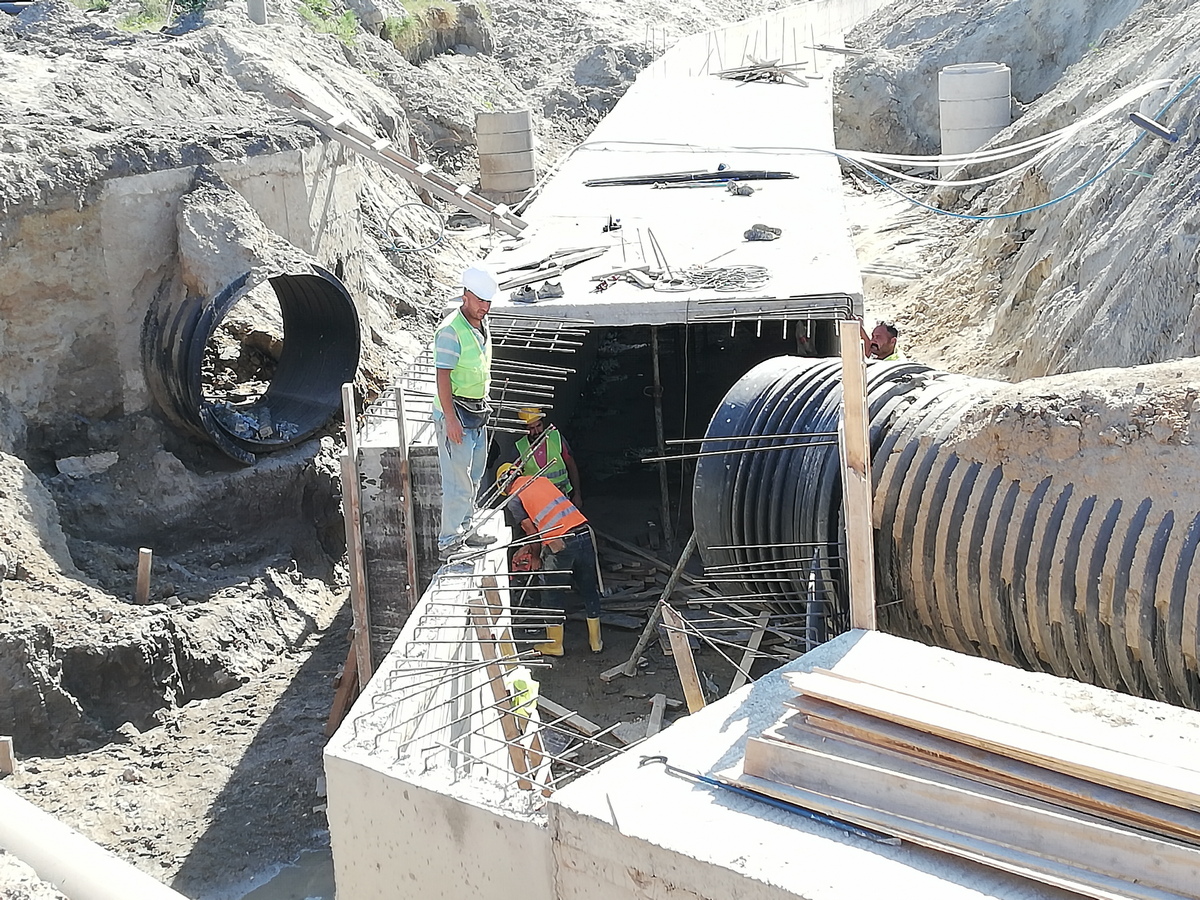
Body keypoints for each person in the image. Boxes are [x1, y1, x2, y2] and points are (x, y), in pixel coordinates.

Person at [497, 462, 603, 655]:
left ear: (503, 485)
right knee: (588, 587)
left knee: (552, 593)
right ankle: (596, 641)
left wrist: (536, 558)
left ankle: (554, 645)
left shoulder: (514, 497)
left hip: (560, 544)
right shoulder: (541, 480)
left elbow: (532, 532)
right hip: (583, 533)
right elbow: (551, 518)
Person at [434, 264, 500, 557]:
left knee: (474, 474)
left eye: (488, 302)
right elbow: (443, 376)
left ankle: (466, 529)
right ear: (465, 296)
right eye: (479, 301)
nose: (484, 307)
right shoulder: (451, 331)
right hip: (457, 413)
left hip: (476, 411)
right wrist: (449, 419)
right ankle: (449, 541)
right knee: (456, 479)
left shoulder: (481, 325)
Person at [514, 407, 582, 505]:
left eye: (538, 425)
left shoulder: (556, 437)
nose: (536, 431)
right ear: (524, 429)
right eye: (531, 428)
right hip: (537, 501)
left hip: (562, 496)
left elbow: (571, 465)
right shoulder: (520, 447)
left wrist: (577, 493)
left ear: (543, 423)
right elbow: (515, 477)